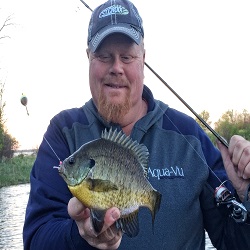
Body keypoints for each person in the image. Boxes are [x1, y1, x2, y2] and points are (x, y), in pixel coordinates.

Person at [23, 0, 250, 249]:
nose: (116, 68)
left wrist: (245, 194)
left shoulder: (189, 135)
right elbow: (36, 239)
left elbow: (235, 241)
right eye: (104, 56)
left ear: (143, 59)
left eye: (127, 56)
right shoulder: (62, 133)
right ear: (88, 57)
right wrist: (81, 236)